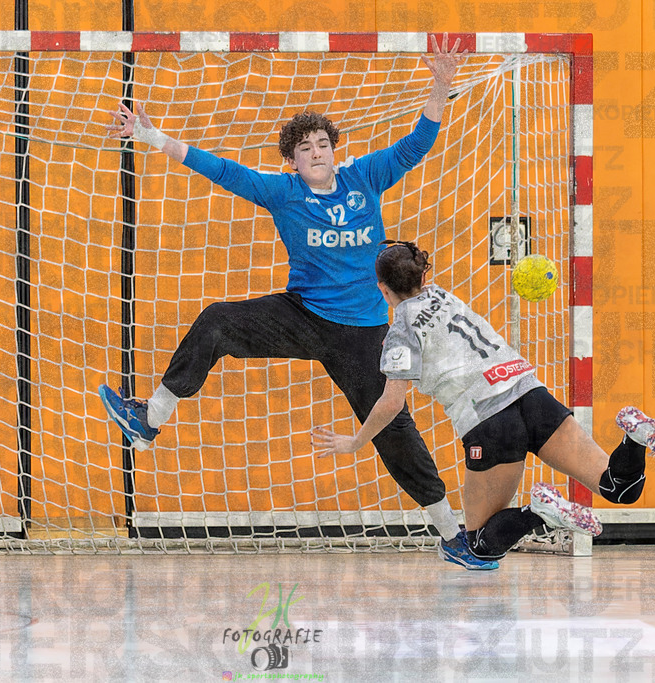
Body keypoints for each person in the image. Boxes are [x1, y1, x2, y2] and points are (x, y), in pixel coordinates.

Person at [99, 36, 498, 570]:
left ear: (334, 150)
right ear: (292, 160)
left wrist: (441, 84)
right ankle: (150, 417)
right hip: (302, 315)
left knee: (394, 429)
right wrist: (150, 135)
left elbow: (414, 145)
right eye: (305, 147)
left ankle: (452, 535)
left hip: (361, 332)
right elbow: (222, 170)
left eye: (322, 143)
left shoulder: (364, 178)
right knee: (217, 321)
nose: (316, 152)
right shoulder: (284, 193)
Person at [311, 240, 655, 568]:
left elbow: (392, 402)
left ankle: (539, 512)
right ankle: (634, 437)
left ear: (382, 289)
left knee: (478, 546)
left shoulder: (400, 333)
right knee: (619, 488)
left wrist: (356, 441)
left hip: (489, 419)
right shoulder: (443, 295)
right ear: (424, 275)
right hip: (532, 394)